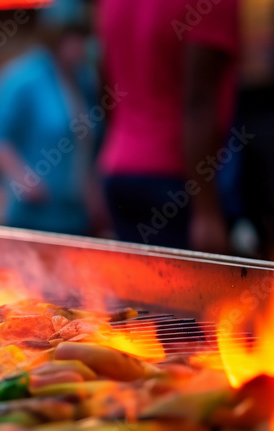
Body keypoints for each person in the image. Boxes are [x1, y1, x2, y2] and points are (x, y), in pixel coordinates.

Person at [98, 0, 239, 252]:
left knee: (135, 287)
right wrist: (206, 211)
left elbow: (106, 87)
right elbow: (199, 101)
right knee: (189, 289)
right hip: (176, 180)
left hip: (119, 170)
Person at [0, 22, 96, 235]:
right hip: (33, 215)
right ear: (59, 39)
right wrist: (24, 179)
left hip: (76, 214)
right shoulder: (23, 78)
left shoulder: (84, 80)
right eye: (78, 39)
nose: (84, 47)